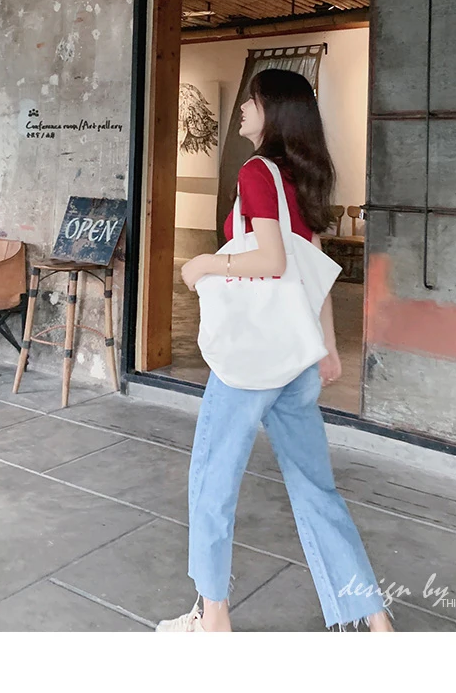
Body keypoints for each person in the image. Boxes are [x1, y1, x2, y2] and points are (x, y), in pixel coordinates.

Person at [156, 68, 394, 633]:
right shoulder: (304, 178)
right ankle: (374, 619)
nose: (243, 108)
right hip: (295, 358)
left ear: (274, 110)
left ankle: (212, 618)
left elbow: (273, 261)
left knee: (212, 481)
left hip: (251, 361)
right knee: (316, 489)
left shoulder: (256, 172)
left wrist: (204, 263)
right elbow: (314, 274)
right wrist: (325, 347)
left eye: (252, 100)